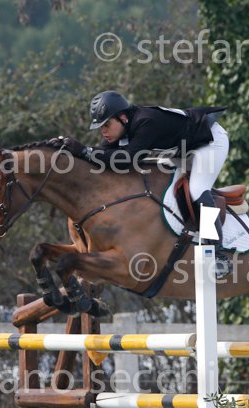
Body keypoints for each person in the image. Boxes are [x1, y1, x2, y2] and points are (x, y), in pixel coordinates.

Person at [54, 90, 233, 278]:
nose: (103, 131)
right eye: (101, 127)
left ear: (123, 118)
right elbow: (102, 157)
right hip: (179, 152)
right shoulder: (122, 128)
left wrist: (85, 150)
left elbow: (124, 160)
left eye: (106, 124)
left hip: (209, 142)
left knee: (197, 189)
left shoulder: (146, 122)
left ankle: (218, 254)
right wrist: (70, 150)